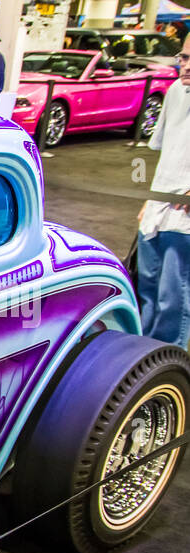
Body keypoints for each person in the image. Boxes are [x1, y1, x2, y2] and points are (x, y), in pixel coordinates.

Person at [136, 37, 190, 348]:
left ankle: (168, 364)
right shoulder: (173, 91)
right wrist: (146, 197)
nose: (187, 65)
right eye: (183, 57)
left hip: (184, 220)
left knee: (175, 297)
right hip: (157, 208)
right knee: (148, 290)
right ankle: (142, 358)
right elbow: (158, 151)